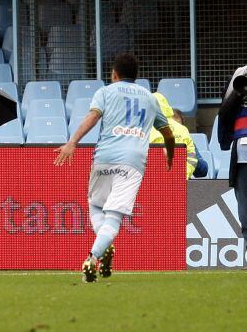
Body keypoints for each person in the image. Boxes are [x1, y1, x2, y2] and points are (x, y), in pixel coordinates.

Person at [54, 53, 175, 283]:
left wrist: (72, 142)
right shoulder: (151, 99)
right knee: (114, 217)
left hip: (105, 157)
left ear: (114, 74)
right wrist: (169, 155)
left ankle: (100, 248)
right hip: (133, 162)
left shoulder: (106, 92)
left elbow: (93, 116)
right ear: (136, 76)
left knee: (95, 207)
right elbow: (167, 132)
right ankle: (94, 256)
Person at [217, 65, 247, 241]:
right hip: (243, 148)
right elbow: (225, 114)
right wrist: (238, 94)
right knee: (244, 204)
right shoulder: (241, 73)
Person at [148, 93, 207, 179]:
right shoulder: (182, 130)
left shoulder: (142, 129)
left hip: (150, 184)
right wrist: (181, 176)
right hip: (179, 185)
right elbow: (193, 159)